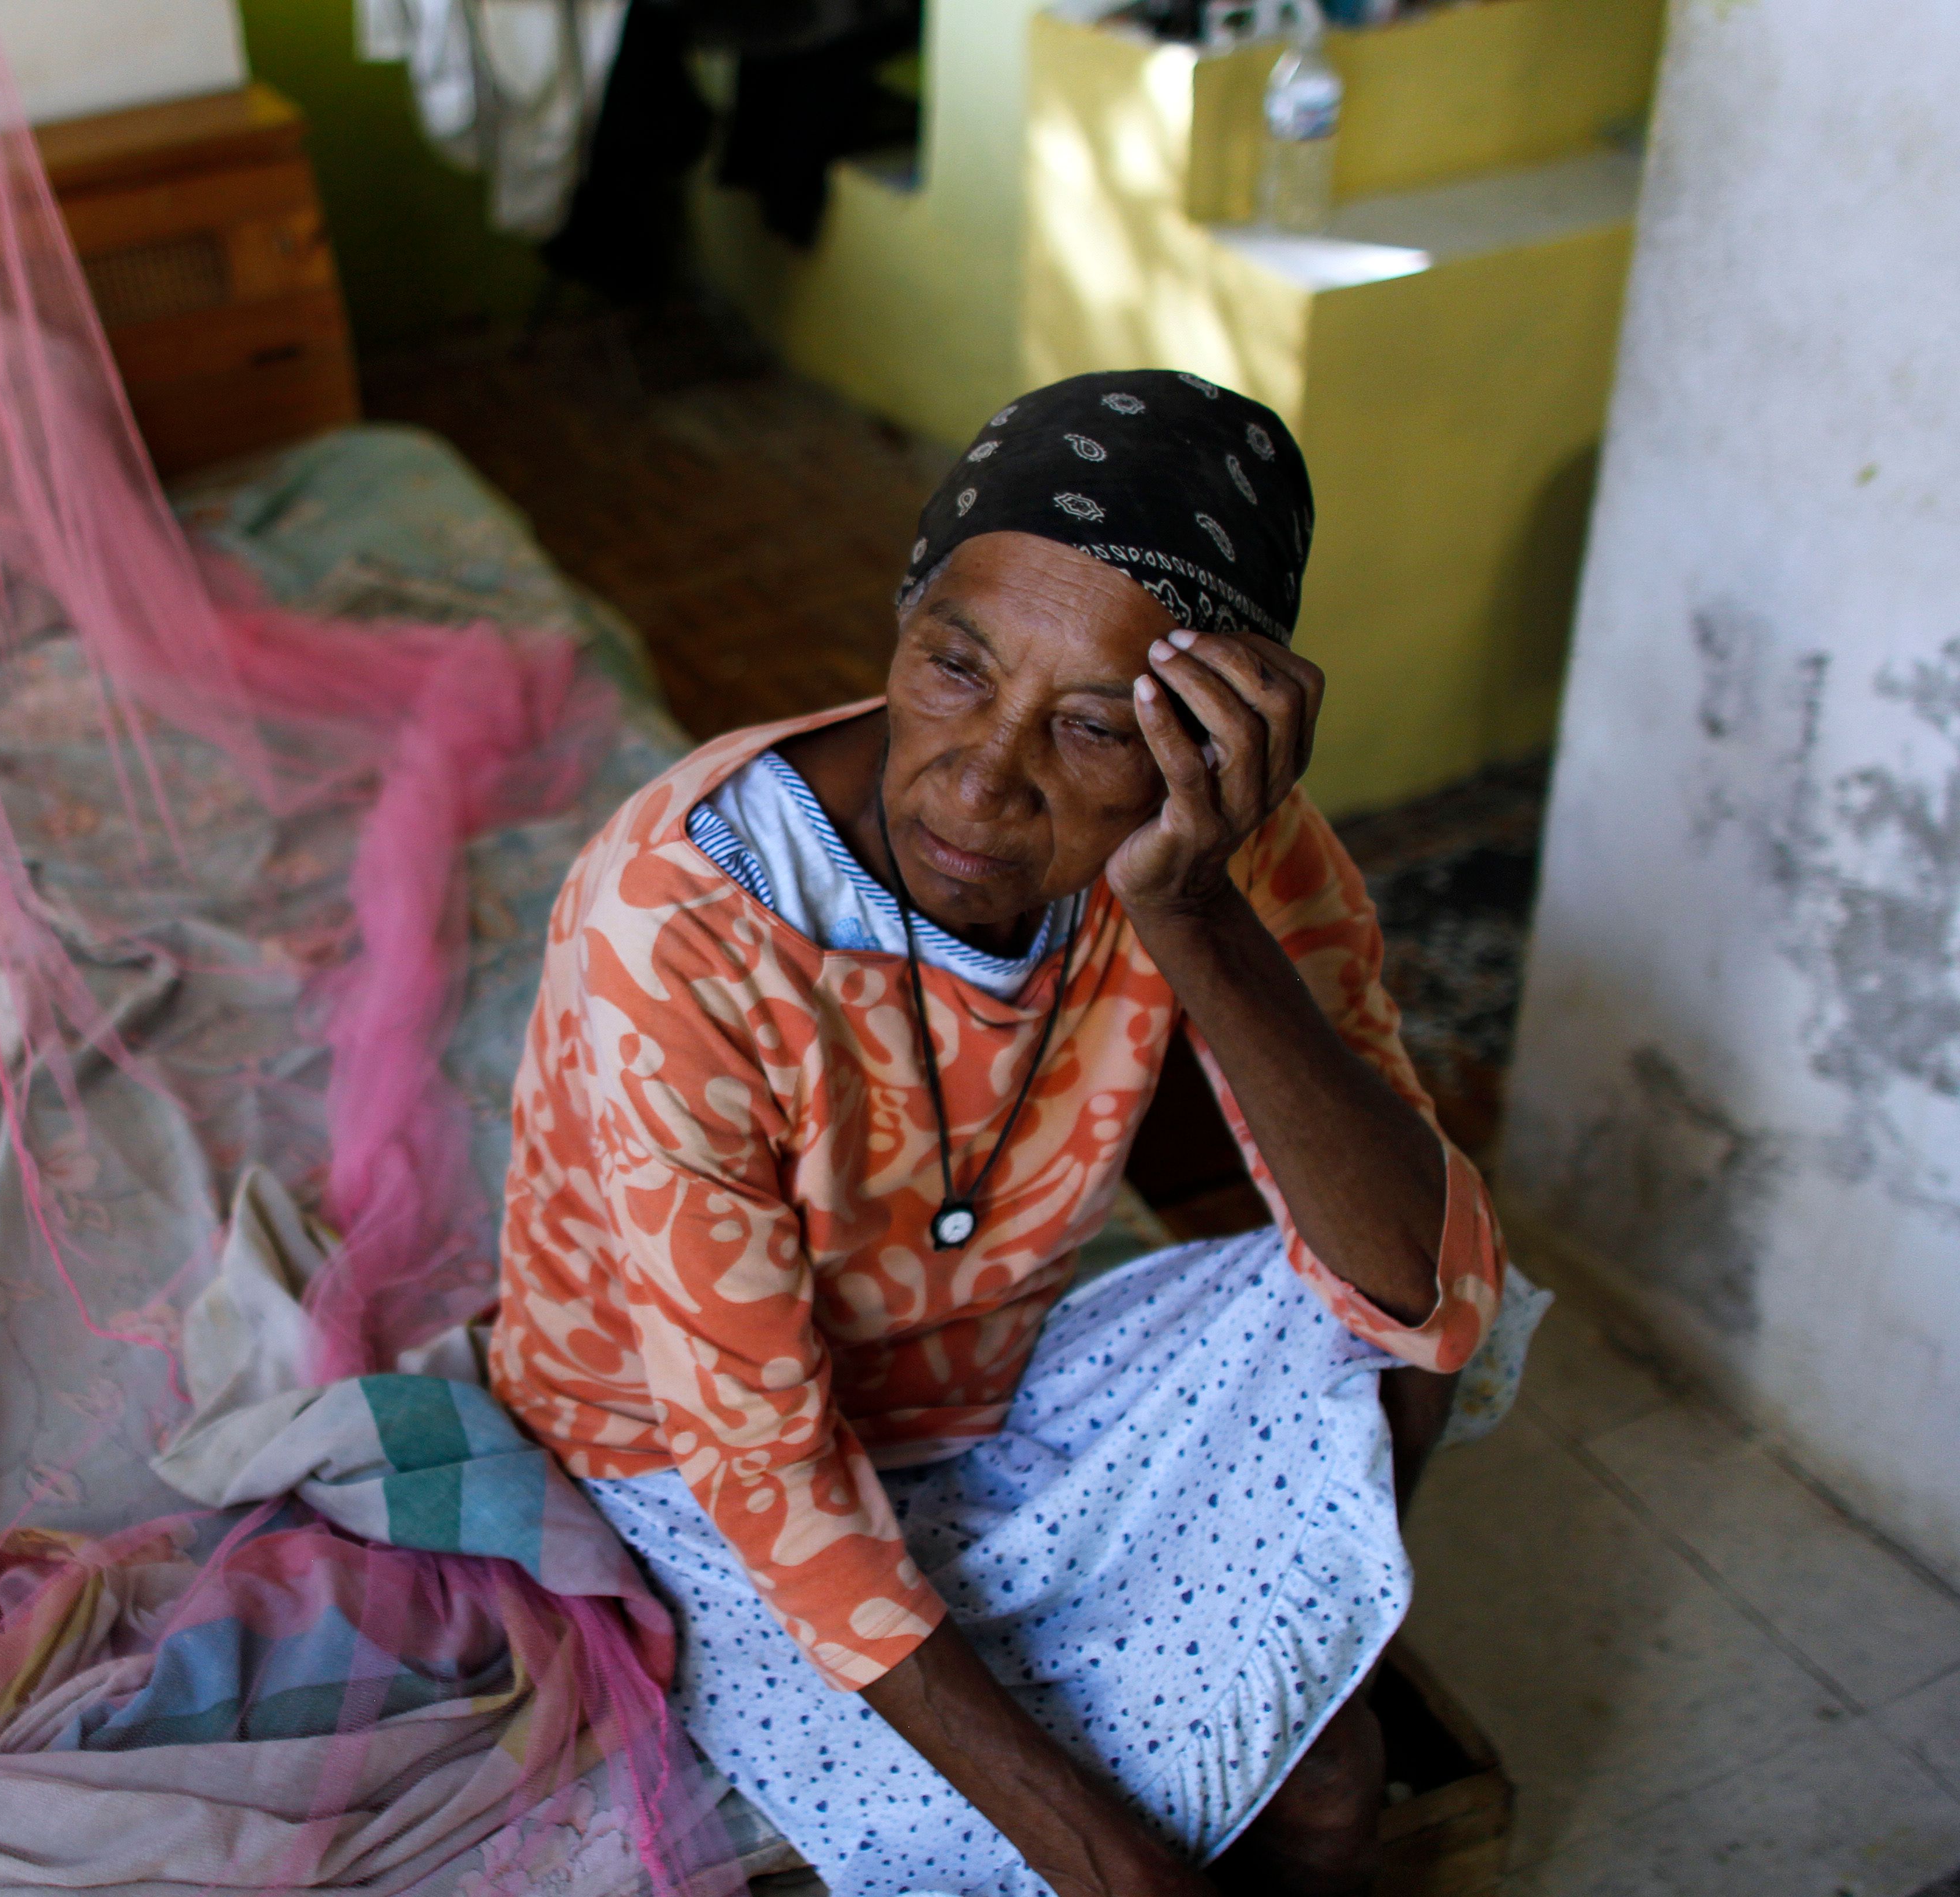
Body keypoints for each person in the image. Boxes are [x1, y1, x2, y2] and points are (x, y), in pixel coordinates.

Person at [489, 370, 1507, 1897]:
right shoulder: (675, 925)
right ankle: (1277, 1665)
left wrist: (1186, 904)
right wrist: (1108, 1859)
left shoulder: (1210, 845)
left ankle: (1312, 1657)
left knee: (1389, 1344)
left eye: (1096, 726)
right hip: (695, 1467)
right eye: (953, 667)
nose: (979, 777)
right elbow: (762, 1463)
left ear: (1208, 741)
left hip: (985, 1386)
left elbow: (1433, 1292)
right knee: (1083, 1851)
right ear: (902, 621)